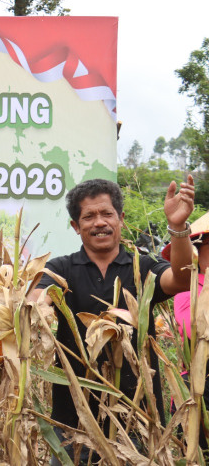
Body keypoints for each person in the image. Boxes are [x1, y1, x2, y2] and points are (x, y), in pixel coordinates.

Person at [33, 177, 195, 465]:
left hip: (139, 418)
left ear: (120, 219)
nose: (99, 222)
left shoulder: (142, 266)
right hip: (73, 420)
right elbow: (38, 298)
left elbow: (181, 278)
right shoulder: (60, 268)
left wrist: (179, 228)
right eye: (89, 216)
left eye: (107, 214)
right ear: (75, 226)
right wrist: (35, 306)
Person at [166, 211, 209, 449]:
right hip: (197, 386)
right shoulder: (188, 286)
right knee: (195, 451)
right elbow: (192, 329)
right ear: (197, 250)